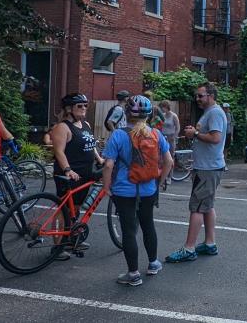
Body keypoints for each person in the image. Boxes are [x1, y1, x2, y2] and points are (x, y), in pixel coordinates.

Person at [101, 95, 172, 285]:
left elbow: (108, 165)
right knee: (148, 224)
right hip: (148, 189)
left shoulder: (119, 134)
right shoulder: (156, 134)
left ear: (126, 113)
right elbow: (169, 162)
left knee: (129, 230)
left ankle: (133, 274)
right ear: (149, 115)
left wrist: (107, 187)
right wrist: (159, 182)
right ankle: (153, 263)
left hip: (124, 190)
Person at [166, 82, 226, 263]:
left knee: (197, 207)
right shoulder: (211, 112)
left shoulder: (214, 112)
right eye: (197, 95)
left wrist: (195, 134)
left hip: (208, 168)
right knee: (207, 206)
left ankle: (189, 248)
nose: (197, 99)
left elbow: (215, 138)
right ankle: (209, 243)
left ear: (211, 95)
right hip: (207, 167)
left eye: (200, 95)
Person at [51, 93, 103, 240]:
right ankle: (57, 246)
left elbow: (91, 145)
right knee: (64, 210)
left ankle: (70, 239)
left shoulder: (86, 125)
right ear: (69, 109)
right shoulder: (62, 127)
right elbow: (59, 151)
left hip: (85, 173)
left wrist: (99, 159)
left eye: (85, 105)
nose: (84, 108)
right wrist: (68, 170)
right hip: (69, 174)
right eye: (79, 106)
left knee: (76, 208)